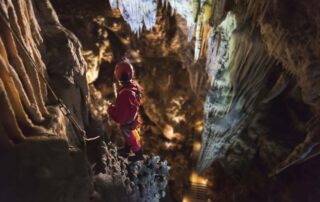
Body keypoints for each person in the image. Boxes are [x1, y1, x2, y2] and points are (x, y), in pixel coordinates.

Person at [107, 60, 143, 161]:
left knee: (131, 138)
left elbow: (120, 118)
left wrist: (110, 109)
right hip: (133, 117)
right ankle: (127, 149)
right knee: (131, 137)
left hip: (128, 122)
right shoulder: (133, 87)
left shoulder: (125, 94)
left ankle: (138, 155)